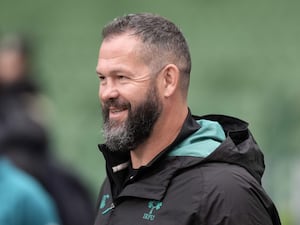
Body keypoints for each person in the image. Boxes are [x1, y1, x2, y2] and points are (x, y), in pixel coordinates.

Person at [94, 13, 281, 225]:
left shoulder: (227, 194)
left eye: (121, 77)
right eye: (102, 79)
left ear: (168, 80)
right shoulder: (115, 181)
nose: (107, 92)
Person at [0, 34, 95, 225]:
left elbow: (41, 132)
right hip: (9, 159)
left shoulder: (32, 95)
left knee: (70, 186)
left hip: (34, 161)